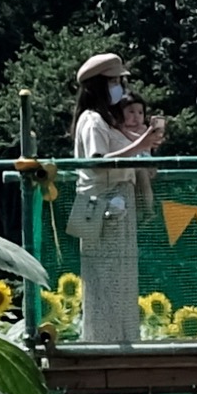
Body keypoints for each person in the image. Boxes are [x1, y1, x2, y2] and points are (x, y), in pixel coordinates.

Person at [64, 55, 155, 350]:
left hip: (119, 205)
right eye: (114, 81)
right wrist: (139, 146)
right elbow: (98, 163)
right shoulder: (91, 120)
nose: (120, 86)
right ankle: (105, 348)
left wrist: (145, 145)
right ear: (98, 85)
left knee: (123, 278)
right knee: (105, 281)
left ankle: (125, 343)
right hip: (101, 206)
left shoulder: (108, 120)